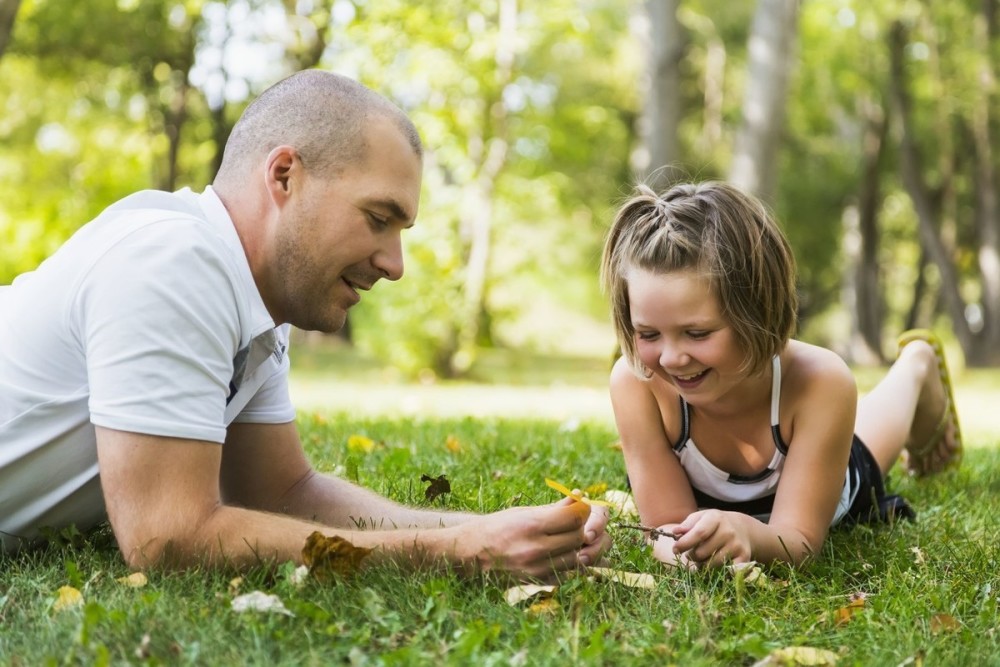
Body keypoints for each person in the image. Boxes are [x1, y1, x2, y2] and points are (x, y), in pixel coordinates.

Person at [0, 69, 610, 581]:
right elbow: (168, 541)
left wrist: (492, 530)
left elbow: (286, 492)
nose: (395, 265)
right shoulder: (174, 262)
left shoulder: (254, 307)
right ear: (285, 175)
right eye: (378, 217)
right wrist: (460, 554)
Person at [599, 180, 962, 569]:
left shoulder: (821, 382)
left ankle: (916, 366)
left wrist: (747, 536)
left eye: (698, 333)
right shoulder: (636, 383)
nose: (670, 358)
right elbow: (664, 528)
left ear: (756, 311)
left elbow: (800, 541)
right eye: (648, 334)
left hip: (825, 475)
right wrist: (690, 555)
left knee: (876, 434)